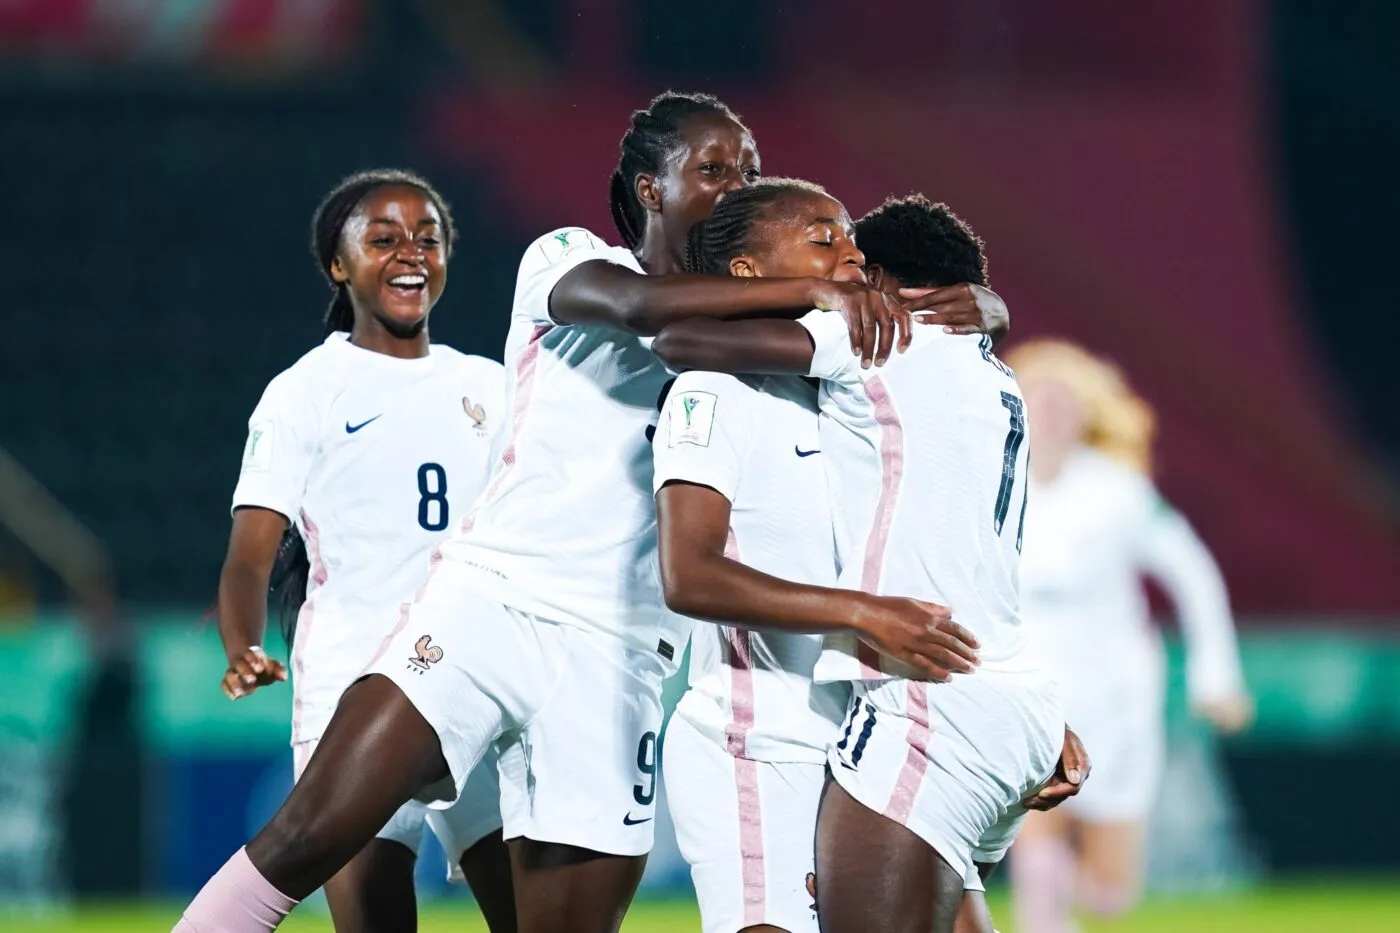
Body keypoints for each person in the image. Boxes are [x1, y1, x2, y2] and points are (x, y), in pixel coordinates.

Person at [174, 93, 998, 933]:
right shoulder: (570, 255)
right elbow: (647, 312)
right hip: (497, 602)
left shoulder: (778, 336)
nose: (736, 187)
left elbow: (915, 355)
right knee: (311, 835)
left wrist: (975, 308)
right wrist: (815, 288)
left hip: (622, 657)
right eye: (713, 170)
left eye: (749, 172)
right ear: (650, 189)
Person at [656, 180, 1087, 933]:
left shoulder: (867, 357)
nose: (849, 257)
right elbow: (688, 572)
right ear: (753, 274)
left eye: (853, 243)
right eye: (825, 240)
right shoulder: (718, 389)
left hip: (890, 713)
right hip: (766, 738)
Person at [214, 169, 515, 933]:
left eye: (428, 238)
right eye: (383, 239)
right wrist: (242, 643)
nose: (410, 252)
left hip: (479, 679)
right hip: (357, 689)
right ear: (338, 265)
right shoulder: (306, 390)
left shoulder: (494, 385)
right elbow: (252, 553)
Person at [1003, 338, 1251, 933]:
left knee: (1112, 883)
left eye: (1064, 400)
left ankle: (1093, 899)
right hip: (1029, 673)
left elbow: (1193, 573)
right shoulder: (992, 482)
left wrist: (1216, 677)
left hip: (1114, 680)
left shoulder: (1119, 490)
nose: (1051, 412)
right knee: (1035, 822)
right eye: (1038, 398)